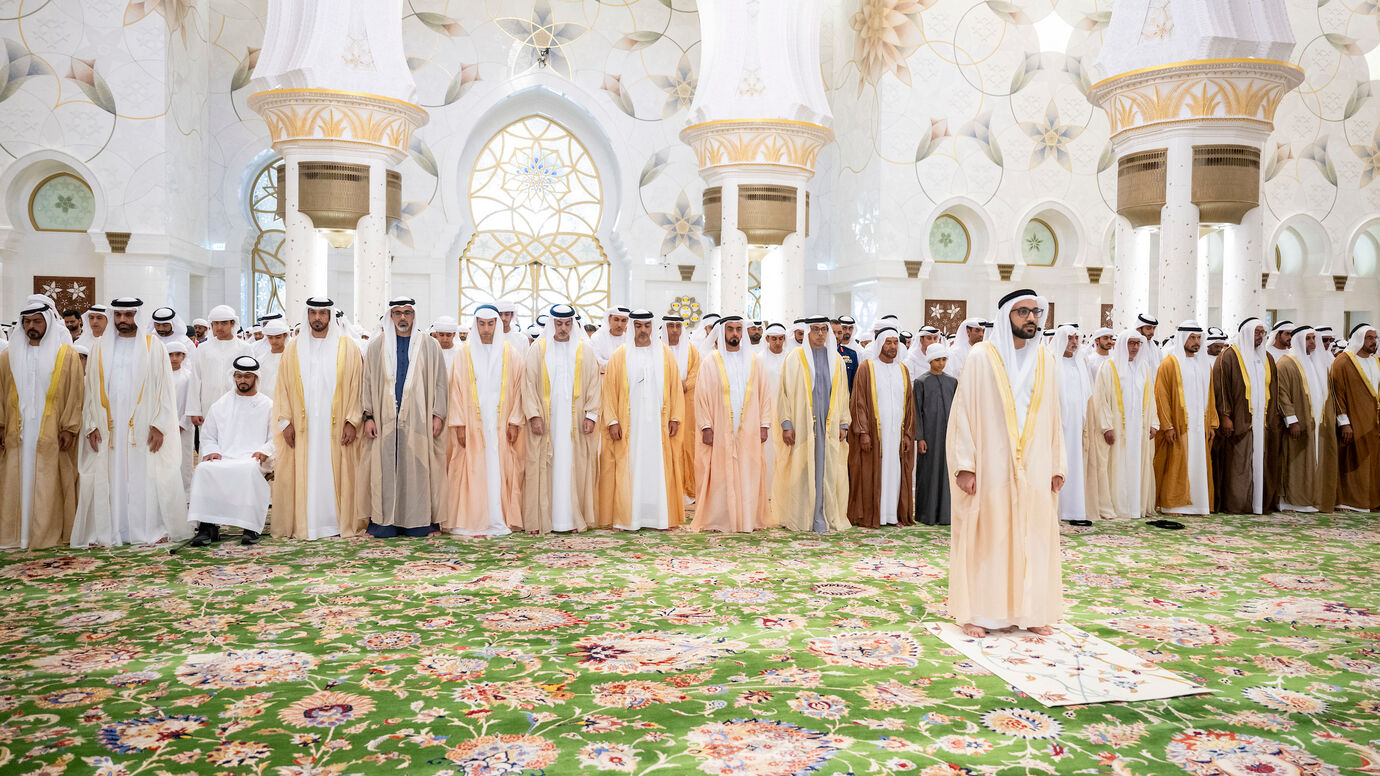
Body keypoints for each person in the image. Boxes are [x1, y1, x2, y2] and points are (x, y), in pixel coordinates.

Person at [947, 289, 1065, 638]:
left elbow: (1054, 416)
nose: (1031, 318)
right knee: (989, 535)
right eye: (1023, 312)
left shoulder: (1046, 359)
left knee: (1033, 535)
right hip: (991, 464)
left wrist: (1057, 465)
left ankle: (1031, 610)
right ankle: (979, 613)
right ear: (1006, 317)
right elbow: (964, 411)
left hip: (1036, 463)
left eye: (1035, 312)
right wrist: (965, 464)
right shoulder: (982, 357)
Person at [72, 298, 189, 547]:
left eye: (129, 315)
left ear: (138, 316)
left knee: (143, 475)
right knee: (109, 474)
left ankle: (147, 529)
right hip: (108, 426)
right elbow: (90, 389)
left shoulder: (153, 346)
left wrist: (159, 424)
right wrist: (91, 424)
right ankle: (110, 529)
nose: (123, 320)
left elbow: (164, 389)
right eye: (119, 315)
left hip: (143, 425)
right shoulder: (99, 348)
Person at [270, 298, 365, 540]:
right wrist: (285, 422)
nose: (317, 318)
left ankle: (335, 522)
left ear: (330, 316)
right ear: (307, 315)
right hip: (302, 428)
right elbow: (281, 388)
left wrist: (352, 421)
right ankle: (307, 524)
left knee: (337, 472)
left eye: (323, 313)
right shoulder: (292, 349)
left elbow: (357, 388)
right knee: (305, 471)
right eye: (313, 313)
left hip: (337, 428)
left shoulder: (348, 347)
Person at [360, 298, 449, 538]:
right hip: (384, 420)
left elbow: (441, 383)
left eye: (407, 313)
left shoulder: (430, 346)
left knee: (418, 467)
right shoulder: (377, 346)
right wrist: (368, 416)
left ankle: (419, 522)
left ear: (414, 316)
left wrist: (438, 414)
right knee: (386, 469)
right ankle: (384, 523)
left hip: (419, 422)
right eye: (397, 313)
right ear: (390, 316)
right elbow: (367, 383)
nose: (402, 318)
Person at [0, 295, 82, 549]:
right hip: (17, 432)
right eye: (26, 322)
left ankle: (46, 534)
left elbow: (75, 393)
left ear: (47, 322)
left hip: (51, 432)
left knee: (48, 484)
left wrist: (69, 427)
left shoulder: (65, 355)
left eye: (37, 321)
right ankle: (16, 535)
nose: (31, 326)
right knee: (15, 481)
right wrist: (2, 425)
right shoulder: (7, 356)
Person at [446, 305, 526, 537]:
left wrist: (514, 420)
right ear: (475, 325)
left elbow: (520, 388)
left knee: (499, 467)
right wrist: (459, 423)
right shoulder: (464, 353)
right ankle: (472, 519)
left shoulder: (511, 353)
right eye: (482, 324)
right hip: (472, 423)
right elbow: (456, 389)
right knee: (472, 467)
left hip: (501, 424)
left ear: (497, 325)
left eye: (491, 324)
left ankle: (498, 517)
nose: (486, 329)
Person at [601, 310, 685, 530]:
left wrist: (675, 417)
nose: (643, 331)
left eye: (647, 326)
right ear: (632, 328)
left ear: (652, 327)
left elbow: (675, 388)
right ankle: (630, 516)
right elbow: (608, 391)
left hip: (658, 425)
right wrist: (612, 421)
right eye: (638, 326)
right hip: (630, 426)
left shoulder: (665, 354)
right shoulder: (620, 355)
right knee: (631, 466)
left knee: (656, 467)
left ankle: (658, 516)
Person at [522, 304, 601, 534]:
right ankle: (543, 520)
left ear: (573, 324)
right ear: (552, 324)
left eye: (567, 324)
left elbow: (595, 385)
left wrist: (591, 415)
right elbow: (528, 384)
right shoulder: (539, 349)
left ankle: (573, 519)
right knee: (545, 467)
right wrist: (534, 415)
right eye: (559, 324)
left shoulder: (585, 350)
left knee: (573, 466)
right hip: (547, 422)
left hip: (576, 422)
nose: (563, 328)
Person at [773, 315, 851, 533]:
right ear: (807, 332)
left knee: (828, 470)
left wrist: (844, 423)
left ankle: (824, 517)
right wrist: (787, 424)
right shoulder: (794, 358)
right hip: (803, 426)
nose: (820, 334)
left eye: (823, 329)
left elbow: (844, 395)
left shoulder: (836, 361)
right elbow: (784, 394)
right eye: (815, 329)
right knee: (801, 471)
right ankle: (802, 517)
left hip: (829, 427)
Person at [693, 315, 771, 532]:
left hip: (749, 428)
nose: (735, 334)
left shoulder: (755, 361)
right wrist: (706, 426)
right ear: (722, 333)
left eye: (738, 329)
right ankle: (721, 519)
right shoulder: (711, 361)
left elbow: (764, 394)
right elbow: (701, 396)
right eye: (731, 330)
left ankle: (747, 519)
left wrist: (764, 424)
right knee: (720, 473)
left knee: (748, 470)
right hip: (720, 429)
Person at [188, 356, 275, 546]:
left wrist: (263, 450)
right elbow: (209, 435)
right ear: (233, 377)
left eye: (247, 376)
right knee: (203, 469)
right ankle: (207, 526)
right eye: (238, 376)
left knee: (250, 470)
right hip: (225, 456)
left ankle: (250, 527)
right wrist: (211, 450)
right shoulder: (221, 404)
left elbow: (274, 438)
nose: (242, 380)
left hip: (253, 458)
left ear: (256, 378)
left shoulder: (268, 405)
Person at [846, 327, 915, 528]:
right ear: (879, 345)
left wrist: (909, 435)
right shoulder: (867, 368)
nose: (892, 347)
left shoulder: (903, 370)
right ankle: (872, 514)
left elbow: (909, 405)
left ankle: (893, 515)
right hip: (875, 435)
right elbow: (857, 402)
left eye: (895, 342)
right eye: (888, 342)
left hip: (897, 435)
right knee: (872, 473)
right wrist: (863, 432)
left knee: (894, 472)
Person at [1090, 329, 1157, 519]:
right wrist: (1106, 426)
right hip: (1117, 428)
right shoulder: (1109, 367)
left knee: (1137, 465)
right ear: (1122, 344)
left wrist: (1153, 422)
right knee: (1117, 467)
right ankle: (1119, 508)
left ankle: (1136, 507)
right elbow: (1100, 399)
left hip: (1139, 428)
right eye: (1131, 343)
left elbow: (1151, 397)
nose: (1134, 347)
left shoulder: (1144, 367)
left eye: (1137, 344)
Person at [1153, 322, 1218, 517]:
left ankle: (1198, 504)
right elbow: (1161, 396)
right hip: (1179, 425)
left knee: (1198, 464)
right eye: (1192, 338)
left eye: (1199, 338)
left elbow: (1210, 395)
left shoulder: (1204, 364)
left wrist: (1212, 423)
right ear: (1182, 338)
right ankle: (1173, 505)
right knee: (1176, 464)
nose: (1196, 342)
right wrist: (1168, 425)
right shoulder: (1170, 363)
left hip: (1200, 425)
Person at [1212, 318, 1273, 514]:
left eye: (1262, 333)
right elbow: (1221, 389)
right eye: (1256, 333)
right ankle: (1237, 504)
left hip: (1260, 422)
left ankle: (1257, 504)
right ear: (1246, 333)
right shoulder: (1228, 357)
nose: (1260, 337)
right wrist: (1225, 416)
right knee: (1238, 465)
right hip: (1239, 421)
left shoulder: (1266, 358)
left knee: (1259, 463)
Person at [1275, 325, 1324, 512]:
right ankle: (1290, 501)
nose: (1312, 342)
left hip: (1315, 422)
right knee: (1294, 461)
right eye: (1308, 338)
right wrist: (1291, 420)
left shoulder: (1314, 362)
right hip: (1296, 423)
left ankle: (1310, 499)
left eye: (1313, 338)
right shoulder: (1286, 363)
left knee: (1312, 460)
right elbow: (1282, 394)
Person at [1332, 323, 1379, 512]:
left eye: (1375, 338)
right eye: (1369, 338)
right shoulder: (1343, 362)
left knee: (1373, 462)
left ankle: (1371, 501)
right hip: (1353, 422)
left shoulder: (1376, 361)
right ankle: (1348, 501)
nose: (1373, 342)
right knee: (1352, 461)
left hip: (1373, 423)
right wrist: (1344, 423)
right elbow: (1337, 394)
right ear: (1359, 339)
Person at [188, 304, 253, 431]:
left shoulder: (244, 348)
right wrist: (194, 410)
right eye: (215, 323)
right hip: (208, 405)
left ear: (232, 323)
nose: (219, 327)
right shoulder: (203, 348)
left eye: (223, 323)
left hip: (238, 405)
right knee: (209, 444)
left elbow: (252, 378)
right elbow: (195, 378)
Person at [1053, 324, 1094, 524]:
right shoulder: (1053, 362)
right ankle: (1056, 510)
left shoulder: (1080, 364)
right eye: (1070, 338)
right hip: (1057, 425)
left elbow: (1086, 395)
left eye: (1077, 338)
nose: (1074, 342)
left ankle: (1074, 511)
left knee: (1075, 464)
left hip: (1076, 424)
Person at [913, 342, 957, 525]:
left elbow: (957, 410)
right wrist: (920, 437)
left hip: (949, 435)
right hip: (930, 436)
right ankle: (927, 515)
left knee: (947, 473)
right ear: (930, 360)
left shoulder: (952, 382)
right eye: (937, 360)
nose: (941, 363)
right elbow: (916, 411)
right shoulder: (921, 382)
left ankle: (946, 515)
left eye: (943, 359)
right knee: (929, 473)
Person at [659, 314, 701, 500]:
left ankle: (685, 491)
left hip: (685, 403)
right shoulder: (656, 348)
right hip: (662, 403)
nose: (675, 330)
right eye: (671, 326)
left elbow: (696, 372)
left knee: (686, 444)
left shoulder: (691, 350)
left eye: (678, 326)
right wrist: (671, 386)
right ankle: (665, 490)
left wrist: (684, 385)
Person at [167, 341, 199, 492]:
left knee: (184, 461)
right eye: (170, 355)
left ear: (184, 356)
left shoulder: (188, 377)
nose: (174, 358)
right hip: (164, 427)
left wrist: (181, 424)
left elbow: (191, 402)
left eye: (178, 354)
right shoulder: (160, 375)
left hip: (183, 428)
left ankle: (186, 494)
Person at [256, 320, 289, 396]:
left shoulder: (292, 358)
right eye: (270, 338)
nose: (274, 341)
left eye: (278, 337)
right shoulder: (261, 360)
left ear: (285, 336)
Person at [835, 315, 860, 389]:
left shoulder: (859, 350)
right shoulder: (832, 348)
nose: (847, 331)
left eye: (850, 328)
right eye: (844, 328)